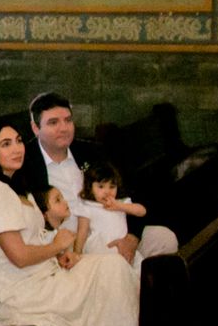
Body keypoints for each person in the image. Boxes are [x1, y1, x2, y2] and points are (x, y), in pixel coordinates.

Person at [0, 119, 139, 326]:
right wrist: (57, 246)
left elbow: (34, 239)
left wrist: (58, 255)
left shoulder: (16, 187)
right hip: (20, 293)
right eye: (5, 144)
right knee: (110, 274)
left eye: (19, 141)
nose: (17, 149)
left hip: (43, 275)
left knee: (113, 267)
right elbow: (19, 255)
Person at [28, 93, 177, 263]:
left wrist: (131, 238)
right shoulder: (26, 164)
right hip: (68, 241)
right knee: (114, 264)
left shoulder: (92, 152)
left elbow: (129, 190)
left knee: (165, 239)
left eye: (68, 120)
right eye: (53, 122)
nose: (64, 128)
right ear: (35, 128)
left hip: (112, 226)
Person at [75, 161, 150, 270]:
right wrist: (77, 254)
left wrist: (120, 206)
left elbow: (142, 211)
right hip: (101, 250)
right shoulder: (87, 206)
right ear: (90, 188)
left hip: (123, 249)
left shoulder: (121, 203)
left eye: (112, 187)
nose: (107, 192)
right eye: (101, 187)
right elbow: (82, 232)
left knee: (140, 269)